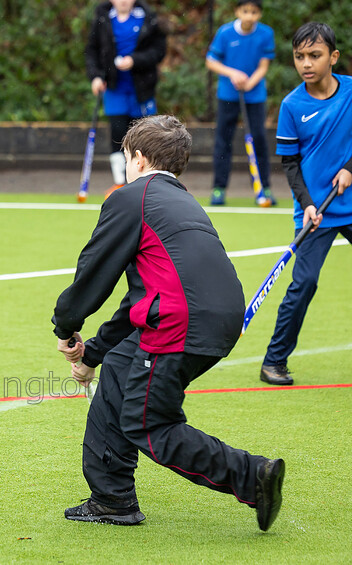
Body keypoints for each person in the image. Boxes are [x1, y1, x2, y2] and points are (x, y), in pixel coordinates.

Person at [53, 115, 284, 531]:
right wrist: (96, 354)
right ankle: (111, 499)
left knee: (149, 424)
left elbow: (92, 274)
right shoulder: (181, 201)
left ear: (138, 160)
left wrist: (65, 326)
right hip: (214, 317)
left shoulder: (131, 198)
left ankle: (253, 476)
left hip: (181, 322)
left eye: (125, 157)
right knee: (120, 371)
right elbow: (142, 297)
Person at [260, 22, 352, 386]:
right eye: (300, 56)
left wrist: (348, 168)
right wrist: (308, 204)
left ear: (333, 57)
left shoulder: (350, 92)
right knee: (305, 282)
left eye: (314, 55)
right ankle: (273, 361)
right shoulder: (292, 105)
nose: (306, 63)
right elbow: (290, 163)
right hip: (316, 210)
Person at [84, 0, 166, 198]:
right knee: (118, 134)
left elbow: (158, 51)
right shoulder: (103, 19)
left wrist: (135, 60)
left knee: (146, 136)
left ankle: (148, 183)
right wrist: (95, 76)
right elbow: (91, 50)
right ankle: (120, 183)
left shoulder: (148, 18)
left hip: (142, 89)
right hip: (114, 88)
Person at [206, 0, 277, 206]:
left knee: (259, 139)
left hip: (254, 96)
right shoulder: (225, 32)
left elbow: (264, 65)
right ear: (237, 11)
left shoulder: (265, 34)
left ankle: (264, 187)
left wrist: (250, 82)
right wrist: (233, 74)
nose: (249, 16)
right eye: (245, 11)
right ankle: (219, 188)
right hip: (228, 95)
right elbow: (211, 61)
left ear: (259, 14)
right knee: (223, 140)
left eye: (254, 12)